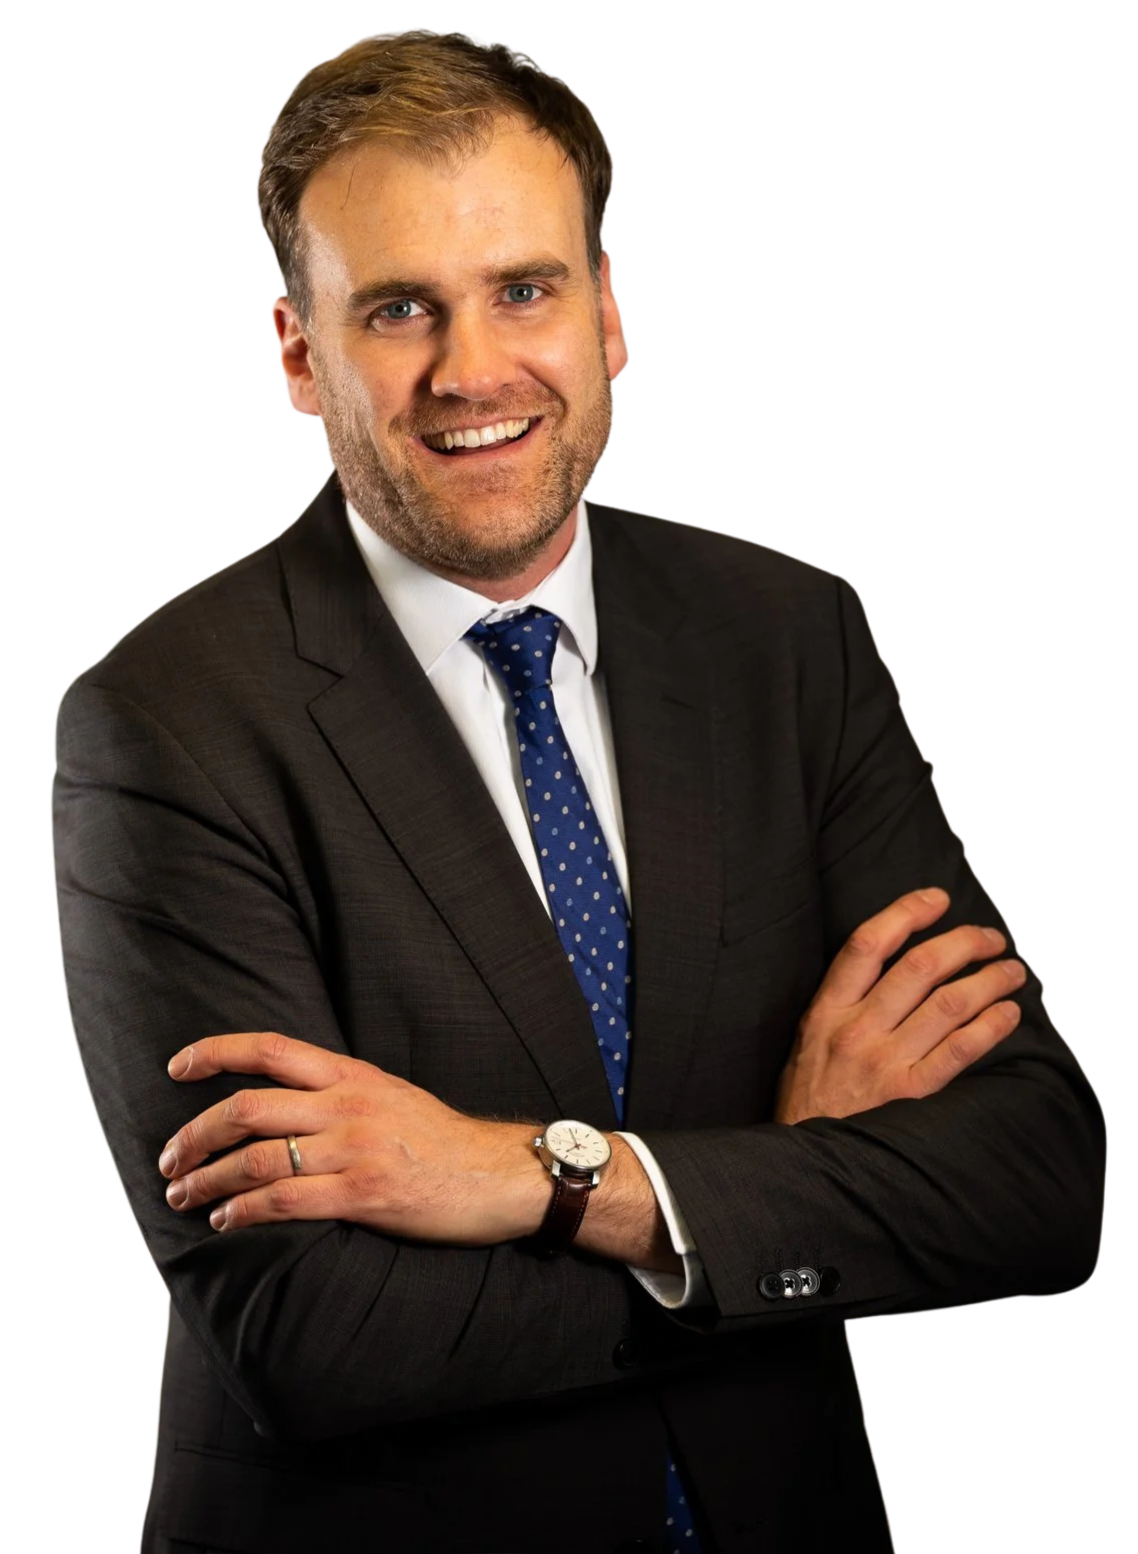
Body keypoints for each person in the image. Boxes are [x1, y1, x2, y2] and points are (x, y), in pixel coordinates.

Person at [51, 28, 1105, 1554]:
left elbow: (1039, 1186)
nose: (472, 371)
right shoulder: (164, 723)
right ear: (298, 355)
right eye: (400, 310)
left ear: (611, 314)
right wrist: (780, 1186)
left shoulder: (785, 640)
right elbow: (310, 1332)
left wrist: (537, 1178)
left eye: (523, 291)